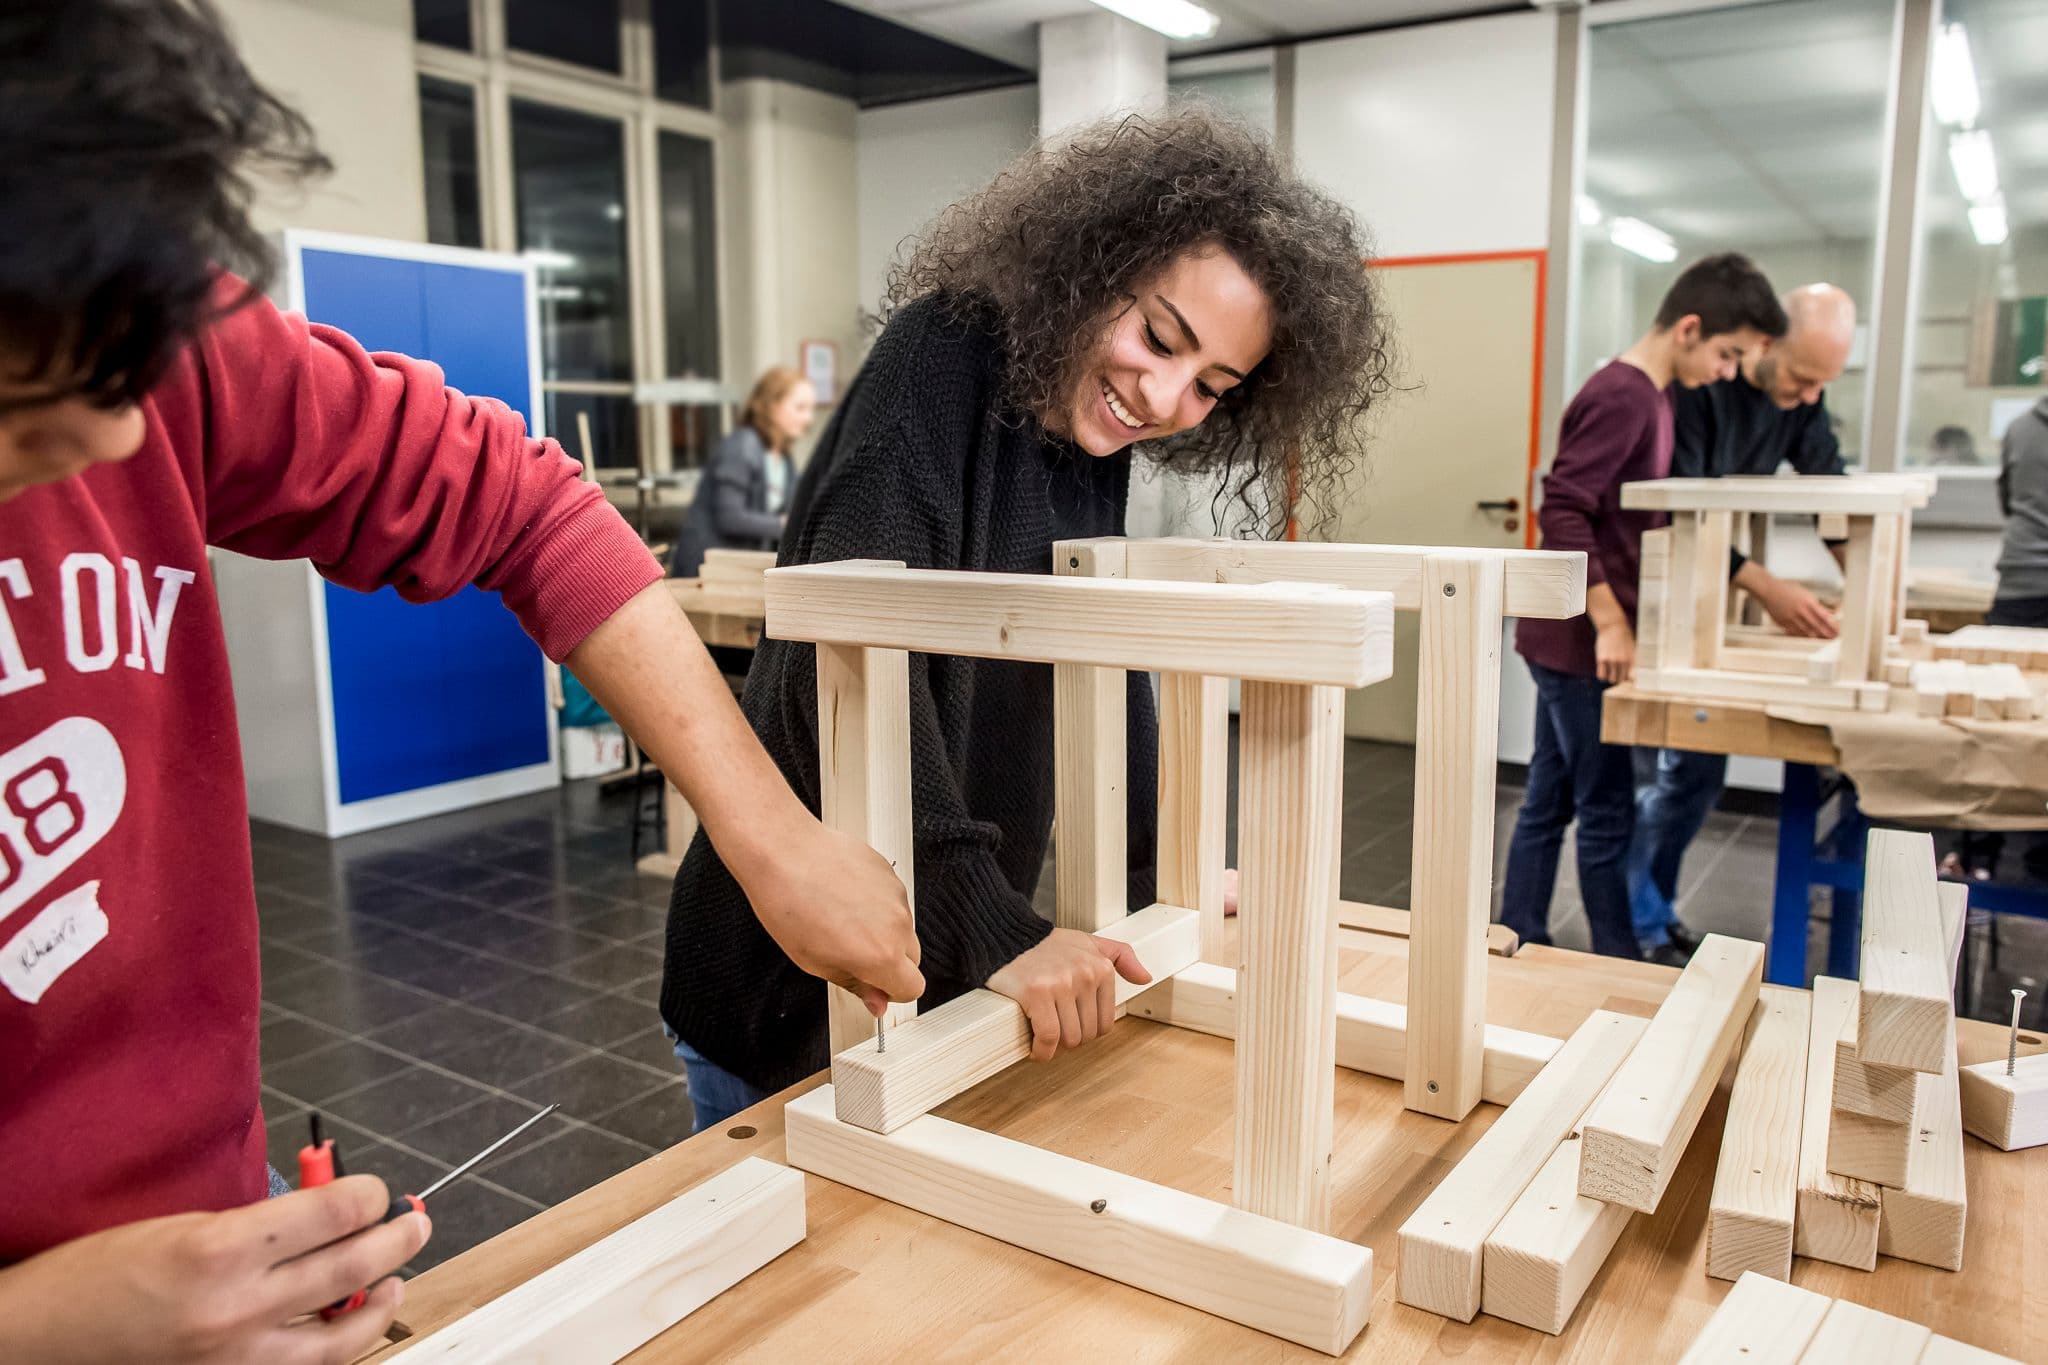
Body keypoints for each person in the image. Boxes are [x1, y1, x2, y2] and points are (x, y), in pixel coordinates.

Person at [0, 3, 920, 1357]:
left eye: (133, 369)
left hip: (219, 1248)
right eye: (27, 419)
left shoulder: (115, 326)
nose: (133, 433)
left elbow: (527, 504)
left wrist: (771, 831)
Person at [661, 107, 1392, 1130]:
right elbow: (835, 670)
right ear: (1089, 270)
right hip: (786, 976)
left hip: (920, 972)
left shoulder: (1092, 443)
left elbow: (1099, 653)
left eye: (1210, 386)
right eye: (1158, 337)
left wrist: (1162, 859)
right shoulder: (939, 357)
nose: (1164, 393)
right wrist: (987, 924)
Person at [1501, 253, 1787, 959]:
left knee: (1550, 799)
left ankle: (1517, 934)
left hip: (1571, 639)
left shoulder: (1658, 395)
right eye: (1726, 354)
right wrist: (1611, 619)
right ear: (1689, 328)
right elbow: (1562, 509)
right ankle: (1619, 962)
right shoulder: (1625, 395)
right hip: (1582, 643)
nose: (1727, 372)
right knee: (1606, 814)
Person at [1628, 283, 1857, 963]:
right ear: (1764, 345)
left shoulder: (1802, 399)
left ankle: (1656, 909)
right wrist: (1769, 589)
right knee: (1649, 778)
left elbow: (1833, 499)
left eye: (1824, 383)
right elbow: (1682, 516)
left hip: (1715, 607)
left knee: (1697, 777)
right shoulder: (1700, 390)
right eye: (1800, 376)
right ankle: (1634, 923)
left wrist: (1866, 584)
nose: (1810, 395)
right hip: (1661, 604)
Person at [667, 366, 812, 579]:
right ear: (771, 406)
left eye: (810, 409)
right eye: (800, 408)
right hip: (704, 572)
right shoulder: (742, 446)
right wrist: (786, 524)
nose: (808, 418)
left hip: (737, 570)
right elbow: (730, 518)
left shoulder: (785, 459)